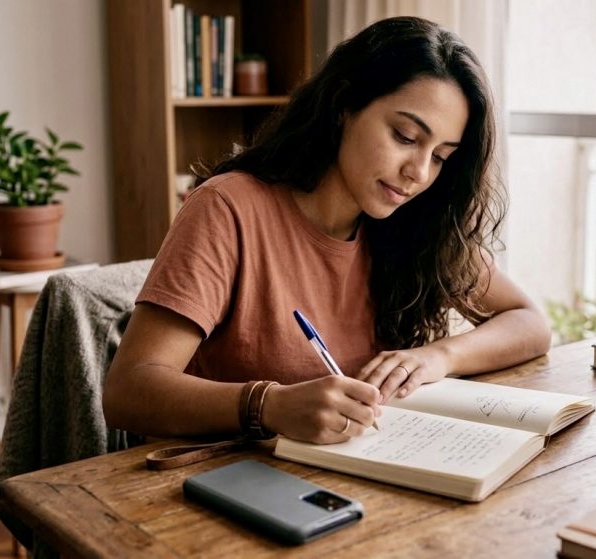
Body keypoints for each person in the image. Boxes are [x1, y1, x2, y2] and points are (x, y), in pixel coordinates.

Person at [102, 16, 550, 444]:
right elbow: (129, 392)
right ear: (343, 106)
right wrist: (269, 405)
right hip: (220, 480)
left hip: (352, 473)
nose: (418, 172)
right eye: (406, 137)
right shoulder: (229, 209)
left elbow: (530, 323)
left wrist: (439, 356)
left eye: (440, 156)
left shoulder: (415, 223)